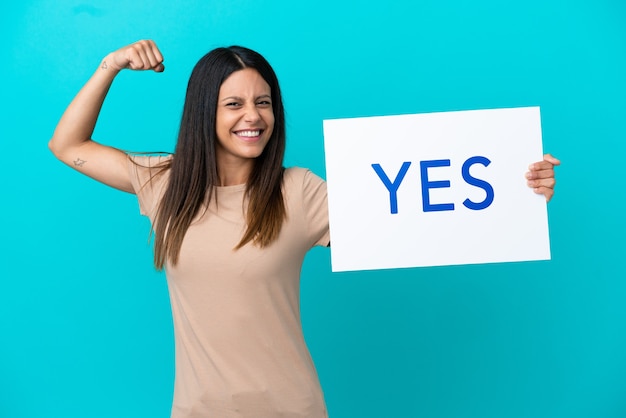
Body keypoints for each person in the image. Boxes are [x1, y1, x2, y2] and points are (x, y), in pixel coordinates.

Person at [49, 40, 560, 418]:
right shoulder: (166, 184)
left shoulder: (299, 192)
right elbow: (68, 146)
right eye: (234, 104)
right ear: (205, 112)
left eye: (264, 102)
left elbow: (423, 219)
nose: (253, 117)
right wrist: (110, 66)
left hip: (291, 408)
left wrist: (520, 186)